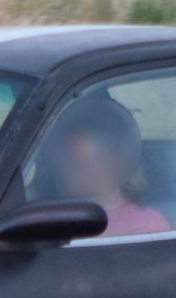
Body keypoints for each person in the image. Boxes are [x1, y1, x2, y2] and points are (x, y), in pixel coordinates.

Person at [41, 94, 169, 236]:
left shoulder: (145, 224)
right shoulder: (34, 219)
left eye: (76, 150)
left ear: (113, 159)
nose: (63, 159)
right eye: (61, 147)